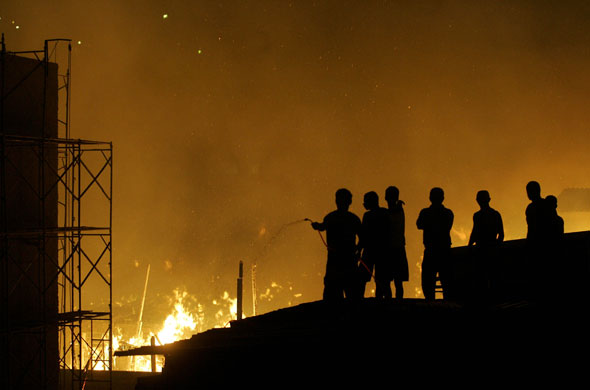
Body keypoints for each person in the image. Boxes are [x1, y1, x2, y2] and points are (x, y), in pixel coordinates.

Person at [312, 188, 362, 300]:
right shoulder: (353, 219)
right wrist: (358, 250)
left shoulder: (330, 217)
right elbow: (363, 238)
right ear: (350, 202)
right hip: (349, 260)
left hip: (335, 262)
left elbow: (322, 227)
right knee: (352, 294)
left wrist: (317, 226)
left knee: (333, 295)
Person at [416, 187, 454, 301]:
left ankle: (431, 302)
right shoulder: (448, 213)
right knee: (445, 280)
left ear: (430, 198)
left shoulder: (425, 212)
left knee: (429, 281)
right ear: (443, 198)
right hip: (443, 250)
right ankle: (446, 303)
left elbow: (419, 225)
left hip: (433, 250)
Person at [468, 190, 504, 302]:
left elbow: (475, 233)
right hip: (485, 249)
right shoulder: (491, 214)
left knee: (487, 277)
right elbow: (501, 234)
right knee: (486, 277)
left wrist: (469, 246)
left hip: (484, 249)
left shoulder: (483, 215)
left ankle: (488, 300)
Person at [357, 191, 390, 298]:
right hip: (383, 251)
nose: (364, 204)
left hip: (370, 251)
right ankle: (382, 301)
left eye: (365, 201)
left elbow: (363, 235)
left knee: (362, 278)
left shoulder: (367, 216)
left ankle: (359, 301)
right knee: (382, 279)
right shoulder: (385, 213)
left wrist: (358, 249)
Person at [384, 186, 409, 299]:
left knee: (389, 280)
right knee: (397, 281)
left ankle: (392, 302)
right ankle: (397, 302)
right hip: (398, 247)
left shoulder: (394, 211)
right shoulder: (398, 210)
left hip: (392, 248)